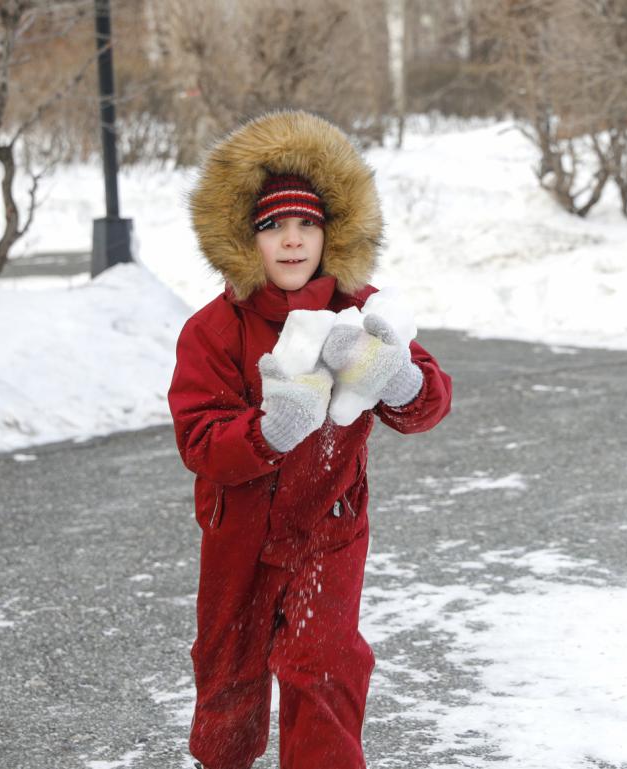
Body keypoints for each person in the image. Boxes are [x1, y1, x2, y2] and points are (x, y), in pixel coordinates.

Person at [167, 110, 452, 769]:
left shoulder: (360, 311)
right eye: (273, 226)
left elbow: (428, 404)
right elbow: (200, 438)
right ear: (247, 237)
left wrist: (399, 377)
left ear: (332, 232)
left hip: (330, 524)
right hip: (237, 533)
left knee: (323, 664)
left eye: (308, 224)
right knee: (227, 672)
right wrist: (267, 432)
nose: (292, 241)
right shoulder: (214, 330)